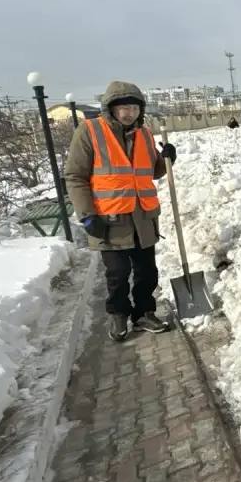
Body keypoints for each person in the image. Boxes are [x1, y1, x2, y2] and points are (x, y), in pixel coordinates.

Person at [64, 81, 178, 342]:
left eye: (134, 108)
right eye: (123, 108)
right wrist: (86, 214)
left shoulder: (144, 134)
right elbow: (75, 176)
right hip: (109, 219)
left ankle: (143, 314)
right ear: (111, 109)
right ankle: (118, 314)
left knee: (147, 272)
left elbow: (153, 170)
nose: (129, 113)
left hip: (142, 217)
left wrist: (167, 158)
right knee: (117, 274)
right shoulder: (90, 131)